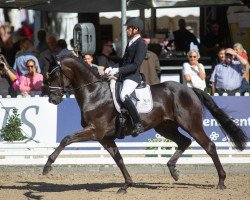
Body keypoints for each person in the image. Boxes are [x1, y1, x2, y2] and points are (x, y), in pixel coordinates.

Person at [105, 17, 147, 137]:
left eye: (129, 28)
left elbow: (135, 65)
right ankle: (121, 120)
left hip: (133, 77)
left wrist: (117, 70)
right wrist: (112, 68)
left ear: (136, 29)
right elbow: (123, 61)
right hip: (124, 76)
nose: (127, 30)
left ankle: (138, 123)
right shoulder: (130, 43)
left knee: (124, 95)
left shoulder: (141, 44)